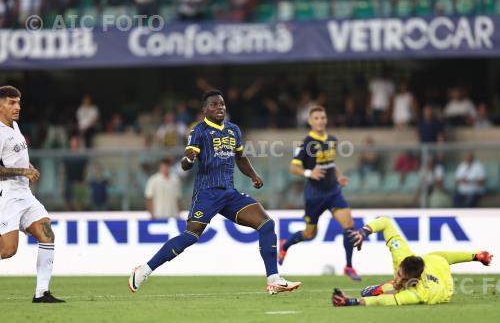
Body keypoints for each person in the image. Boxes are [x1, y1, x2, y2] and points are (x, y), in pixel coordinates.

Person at [129, 90, 301, 295]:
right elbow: (185, 163)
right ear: (204, 110)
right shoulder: (199, 131)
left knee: (266, 224)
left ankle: (273, 279)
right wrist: (189, 159)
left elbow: (240, 157)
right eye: (214, 105)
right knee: (191, 235)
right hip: (207, 193)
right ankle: (143, 271)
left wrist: (253, 175)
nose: (220, 107)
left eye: (222, 104)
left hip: (229, 193)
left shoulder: (233, 130)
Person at [279, 106, 361, 281]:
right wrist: (309, 173)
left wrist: (339, 177)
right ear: (310, 121)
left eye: (323, 117)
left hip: (333, 192)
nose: (320, 120)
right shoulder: (306, 143)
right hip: (314, 195)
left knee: (349, 225)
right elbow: (293, 167)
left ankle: (348, 266)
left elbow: (330, 163)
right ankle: (285, 245)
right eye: (316, 118)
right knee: (310, 234)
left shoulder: (332, 140)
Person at [332, 217, 492, 307]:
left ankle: (387, 287)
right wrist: (363, 232)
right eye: (399, 274)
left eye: (403, 280)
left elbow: (382, 301)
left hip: (444, 288)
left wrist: (350, 301)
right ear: (401, 265)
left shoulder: (418, 294)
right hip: (433, 262)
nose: (399, 278)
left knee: (381, 292)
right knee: (437, 257)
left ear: (414, 281)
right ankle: (388, 287)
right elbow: (386, 222)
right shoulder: (402, 255)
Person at [0, 86, 65, 303]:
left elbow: (12, 157)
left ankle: (41, 293)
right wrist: (23, 171)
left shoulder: (15, 126)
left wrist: (28, 165)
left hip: (24, 193)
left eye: (18, 102)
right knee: (8, 251)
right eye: (11, 102)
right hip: (7, 195)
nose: (17, 107)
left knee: (47, 234)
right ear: (0, 105)